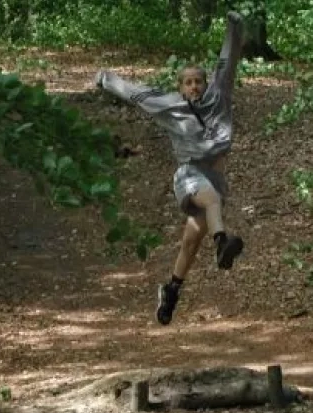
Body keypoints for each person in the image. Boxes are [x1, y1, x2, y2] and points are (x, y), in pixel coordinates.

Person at [94, 11, 245, 325]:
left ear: (206, 83)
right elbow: (136, 94)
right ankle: (222, 243)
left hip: (215, 178)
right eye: (188, 82)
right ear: (180, 87)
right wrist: (106, 79)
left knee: (190, 242)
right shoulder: (171, 106)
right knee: (212, 203)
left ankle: (171, 291)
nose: (194, 86)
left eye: (198, 81)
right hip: (189, 175)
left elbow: (226, 62)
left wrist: (234, 25)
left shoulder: (219, 97)